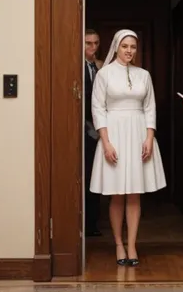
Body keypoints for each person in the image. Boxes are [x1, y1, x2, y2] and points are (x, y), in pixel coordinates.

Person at [90, 29, 167, 266]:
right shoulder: (104, 74)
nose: (129, 51)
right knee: (117, 194)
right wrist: (106, 142)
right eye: (125, 46)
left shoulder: (143, 75)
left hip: (138, 134)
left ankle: (132, 245)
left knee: (134, 194)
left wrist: (149, 138)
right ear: (116, 47)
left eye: (133, 47)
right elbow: (98, 109)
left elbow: (150, 107)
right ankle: (118, 245)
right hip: (113, 135)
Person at [84, 29, 103, 237]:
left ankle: (93, 222)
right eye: (88, 43)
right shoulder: (76, 66)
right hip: (84, 128)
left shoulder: (100, 67)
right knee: (87, 172)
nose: (93, 47)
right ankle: (86, 223)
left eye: (96, 43)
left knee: (97, 173)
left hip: (100, 127)